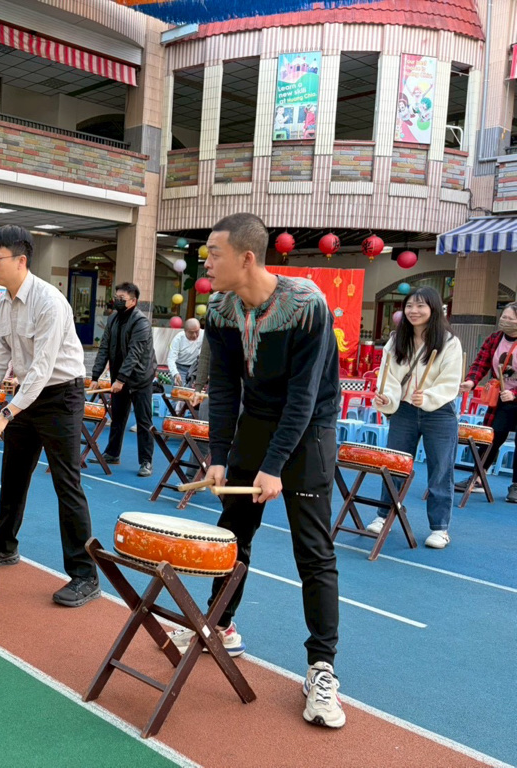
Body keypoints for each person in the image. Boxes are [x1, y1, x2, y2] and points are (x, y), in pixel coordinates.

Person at [167, 213, 346, 729]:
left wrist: (273, 467)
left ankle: (322, 668)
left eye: (214, 255)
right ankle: (220, 625)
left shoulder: (307, 304)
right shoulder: (221, 309)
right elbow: (224, 387)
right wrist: (219, 456)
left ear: (247, 258)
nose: (206, 264)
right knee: (233, 533)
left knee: (313, 551)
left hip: (310, 429)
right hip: (256, 423)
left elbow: (304, 396)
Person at [0, 225, 98, 608]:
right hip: (24, 396)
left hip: (61, 396)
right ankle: (4, 545)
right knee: (13, 475)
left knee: (67, 484)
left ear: (21, 260)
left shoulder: (49, 302)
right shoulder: (2, 305)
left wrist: (4, 414)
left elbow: (41, 369)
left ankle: (85, 575)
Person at [369, 288, 463, 547]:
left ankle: (440, 528)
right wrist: (387, 398)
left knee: (440, 469)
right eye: (409, 305)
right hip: (404, 410)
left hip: (439, 413)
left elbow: (450, 380)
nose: (414, 311)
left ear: (434, 309)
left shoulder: (449, 342)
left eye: (421, 306)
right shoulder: (396, 339)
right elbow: (387, 377)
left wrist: (430, 396)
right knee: (394, 465)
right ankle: (384, 515)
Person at [90, 281, 156, 477]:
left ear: (133, 301)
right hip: (118, 376)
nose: (117, 301)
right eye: (116, 298)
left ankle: (146, 461)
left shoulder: (141, 322)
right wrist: (95, 376)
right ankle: (112, 453)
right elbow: (104, 348)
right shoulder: (113, 319)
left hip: (140, 378)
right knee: (117, 416)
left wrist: (121, 380)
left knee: (144, 421)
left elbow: (135, 353)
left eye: (122, 298)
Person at [456, 302, 517, 502]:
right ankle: (478, 478)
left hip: (513, 395)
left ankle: (516, 486)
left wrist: (514, 393)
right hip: (500, 398)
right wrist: (471, 381)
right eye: (503, 317)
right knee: (491, 437)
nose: (505, 321)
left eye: (510, 319)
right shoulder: (495, 339)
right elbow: (480, 364)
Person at [167, 317, 203, 387]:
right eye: (191, 333)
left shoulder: (203, 334)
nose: (195, 335)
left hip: (195, 367)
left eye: (197, 332)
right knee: (180, 389)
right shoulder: (178, 339)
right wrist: (175, 373)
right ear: (185, 331)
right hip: (180, 367)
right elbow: (171, 359)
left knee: (194, 390)